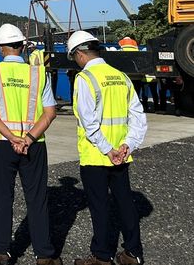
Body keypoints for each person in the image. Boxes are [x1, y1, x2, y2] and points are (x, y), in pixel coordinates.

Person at [0, 24, 59, 265]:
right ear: (23, 46)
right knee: (37, 199)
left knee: (2, 198)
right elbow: (50, 113)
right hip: (35, 144)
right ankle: (45, 255)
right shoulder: (38, 73)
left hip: (3, 143)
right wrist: (29, 138)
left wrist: (12, 137)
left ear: (1, 48)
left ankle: (0, 250)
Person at [67, 31, 148, 265]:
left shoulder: (85, 79)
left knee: (99, 206)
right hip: (121, 155)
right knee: (125, 202)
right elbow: (137, 117)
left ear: (80, 54)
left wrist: (107, 149)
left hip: (96, 156)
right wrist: (127, 145)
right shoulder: (121, 76)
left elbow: (88, 122)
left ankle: (102, 256)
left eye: (75, 57)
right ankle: (133, 252)